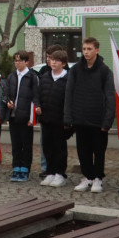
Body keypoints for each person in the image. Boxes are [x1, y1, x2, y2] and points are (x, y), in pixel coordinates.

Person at [63, 37, 115, 193]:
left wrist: (107, 121)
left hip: (98, 120)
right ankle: (87, 177)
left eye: (89, 49)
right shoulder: (76, 70)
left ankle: (98, 178)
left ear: (97, 50)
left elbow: (110, 97)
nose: (86, 52)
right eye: (84, 49)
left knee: (98, 151)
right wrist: (68, 117)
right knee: (83, 151)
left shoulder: (105, 71)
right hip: (80, 118)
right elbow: (69, 93)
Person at [0, 51, 39, 182]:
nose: (17, 63)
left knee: (26, 144)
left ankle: (25, 169)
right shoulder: (11, 77)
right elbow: (6, 94)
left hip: (26, 116)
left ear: (26, 62)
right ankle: (16, 167)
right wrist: (8, 102)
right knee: (16, 144)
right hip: (13, 116)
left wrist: (33, 118)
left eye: (20, 61)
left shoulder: (32, 77)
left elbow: (35, 97)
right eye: (16, 61)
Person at [36, 49, 69, 187]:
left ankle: (60, 174)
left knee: (59, 148)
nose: (53, 62)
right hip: (46, 118)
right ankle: (50, 172)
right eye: (52, 60)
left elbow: (69, 99)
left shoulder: (68, 79)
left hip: (60, 120)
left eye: (57, 60)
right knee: (47, 147)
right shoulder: (45, 77)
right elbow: (38, 95)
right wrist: (38, 106)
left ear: (63, 63)